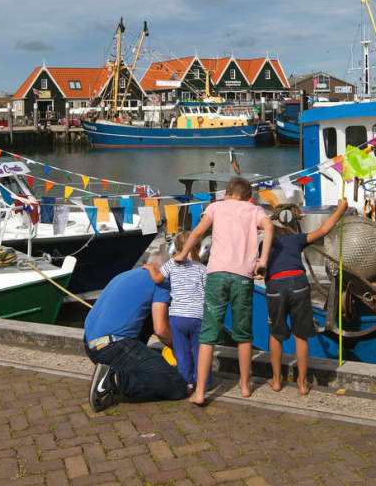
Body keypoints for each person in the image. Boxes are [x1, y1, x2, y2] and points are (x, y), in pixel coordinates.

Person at [177, 176, 274, 404]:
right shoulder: (254, 210)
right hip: (243, 276)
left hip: (217, 275)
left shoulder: (216, 207)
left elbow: (198, 232)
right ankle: (244, 386)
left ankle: (200, 392)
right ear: (248, 195)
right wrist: (263, 259)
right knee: (243, 334)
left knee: (208, 335)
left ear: (227, 192)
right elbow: (269, 227)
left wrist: (182, 254)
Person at [83, 250, 187, 411]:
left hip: (91, 345)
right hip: (113, 346)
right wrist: (183, 351)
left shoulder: (124, 276)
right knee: (176, 383)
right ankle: (114, 381)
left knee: (148, 318)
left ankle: (113, 372)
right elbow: (161, 330)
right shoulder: (160, 281)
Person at [264, 198, 348, 395]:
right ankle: (302, 383)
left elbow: (265, 272)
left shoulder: (265, 245)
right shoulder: (296, 239)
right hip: (298, 283)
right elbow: (323, 230)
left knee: (276, 334)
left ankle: (276, 381)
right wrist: (340, 210)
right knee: (301, 335)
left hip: (275, 285)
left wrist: (272, 310)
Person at [144, 231, 209, 392]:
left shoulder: (171, 264)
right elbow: (208, 292)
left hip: (178, 316)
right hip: (198, 316)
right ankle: (204, 383)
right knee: (201, 351)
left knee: (182, 352)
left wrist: (151, 268)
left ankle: (186, 382)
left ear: (176, 248)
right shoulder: (202, 268)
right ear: (198, 247)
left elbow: (157, 279)